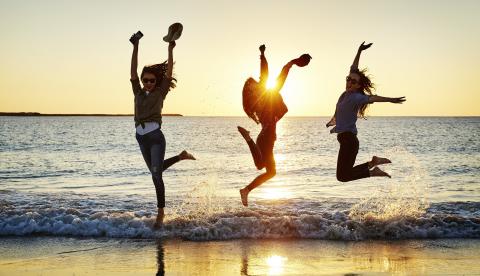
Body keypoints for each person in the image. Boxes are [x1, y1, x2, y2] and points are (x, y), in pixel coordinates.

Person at [129, 32, 195, 228]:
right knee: (154, 171)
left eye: (151, 80)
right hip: (140, 137)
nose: (148, 83)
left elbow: (168, 74)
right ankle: (181, 156)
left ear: (156, 82)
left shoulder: (160, 92)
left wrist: (170, 49)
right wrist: (135, 46)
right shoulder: (138, 92)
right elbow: (132, 71)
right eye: (145, 80)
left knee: (155, 175)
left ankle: (160, 214)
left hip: (156, 137)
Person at [238, 44, 311, 206]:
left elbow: (264, 75)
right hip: (266, 136)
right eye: (254, 85)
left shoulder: (257, 104)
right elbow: (266, 74)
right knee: (268, 170)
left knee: (264, 168)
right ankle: (248, 139)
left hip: (265, 136)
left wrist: (263, 55)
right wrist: (287, 62)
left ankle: (246, 190)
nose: (257, 84)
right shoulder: (266, 97)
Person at [327, 41, 405, 182]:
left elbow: (372, 97)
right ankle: (373, 166)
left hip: (349, 141)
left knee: (342, 177)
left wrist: (390, 99)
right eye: (348, 79)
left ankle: (373, 167)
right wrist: (359, 51)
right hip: (345, 140)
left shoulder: (357, 97)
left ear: (358, 86)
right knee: (343, 176)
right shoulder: (346, 95)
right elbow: (354, 67)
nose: (349, 82)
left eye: (353, 81)